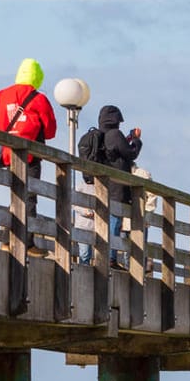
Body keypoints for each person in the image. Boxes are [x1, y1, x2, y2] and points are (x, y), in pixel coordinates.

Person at [76, 105, 142, 263]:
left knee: (105, 220)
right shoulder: (115, 134)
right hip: (117, 187)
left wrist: (128, 138)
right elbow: (131, 153)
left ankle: (103, 256)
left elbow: (113, 150)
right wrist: (137, 141)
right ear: (117, 120)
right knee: (115, 221)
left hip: (102, 185)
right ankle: (110, 258)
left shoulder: (100, 135)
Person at [0, 58, 57, 166]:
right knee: (31, 183)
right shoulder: (40, 99)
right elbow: (50, 131)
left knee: (11, 182)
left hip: (6, 153)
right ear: (39, 77)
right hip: (31, 156)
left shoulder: (1, 95)